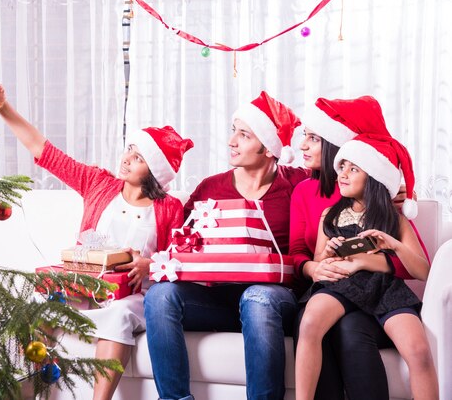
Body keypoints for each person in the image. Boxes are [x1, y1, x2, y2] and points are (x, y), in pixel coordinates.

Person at [0, 84, 194, 400]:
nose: (127, 159)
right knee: (36, 307)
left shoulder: (170, 208)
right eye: (129, 151)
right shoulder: (98, 183)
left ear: (155, 172)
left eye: (138, 158)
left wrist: (149, 265)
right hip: (82, 288)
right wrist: (4, 109)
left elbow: (182, 258)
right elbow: (45, 152)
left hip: (133, 296)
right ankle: (15, 393)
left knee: (119, 315)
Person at [144, 91, 309, 400]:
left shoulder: (299, 183)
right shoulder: (211, 187)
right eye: (234, 131)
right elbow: (180, 240)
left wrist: (395, 192)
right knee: (160, 296)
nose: (231, 141)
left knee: (256, 297)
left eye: (244, 134)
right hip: (216, 299)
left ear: (269, 147)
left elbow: (350, 182)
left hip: (273, 301)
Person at [290, 96, 426, 399]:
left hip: (379, 290)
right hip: (337, 285)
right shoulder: (312, 196)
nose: (302, 145)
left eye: (314, 138)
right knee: (310, 321)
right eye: (305, 136)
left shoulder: (388, 207)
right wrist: (317, 266)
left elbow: (416, 265)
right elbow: (303, 253)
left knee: (362, 332)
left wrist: (370, 259)